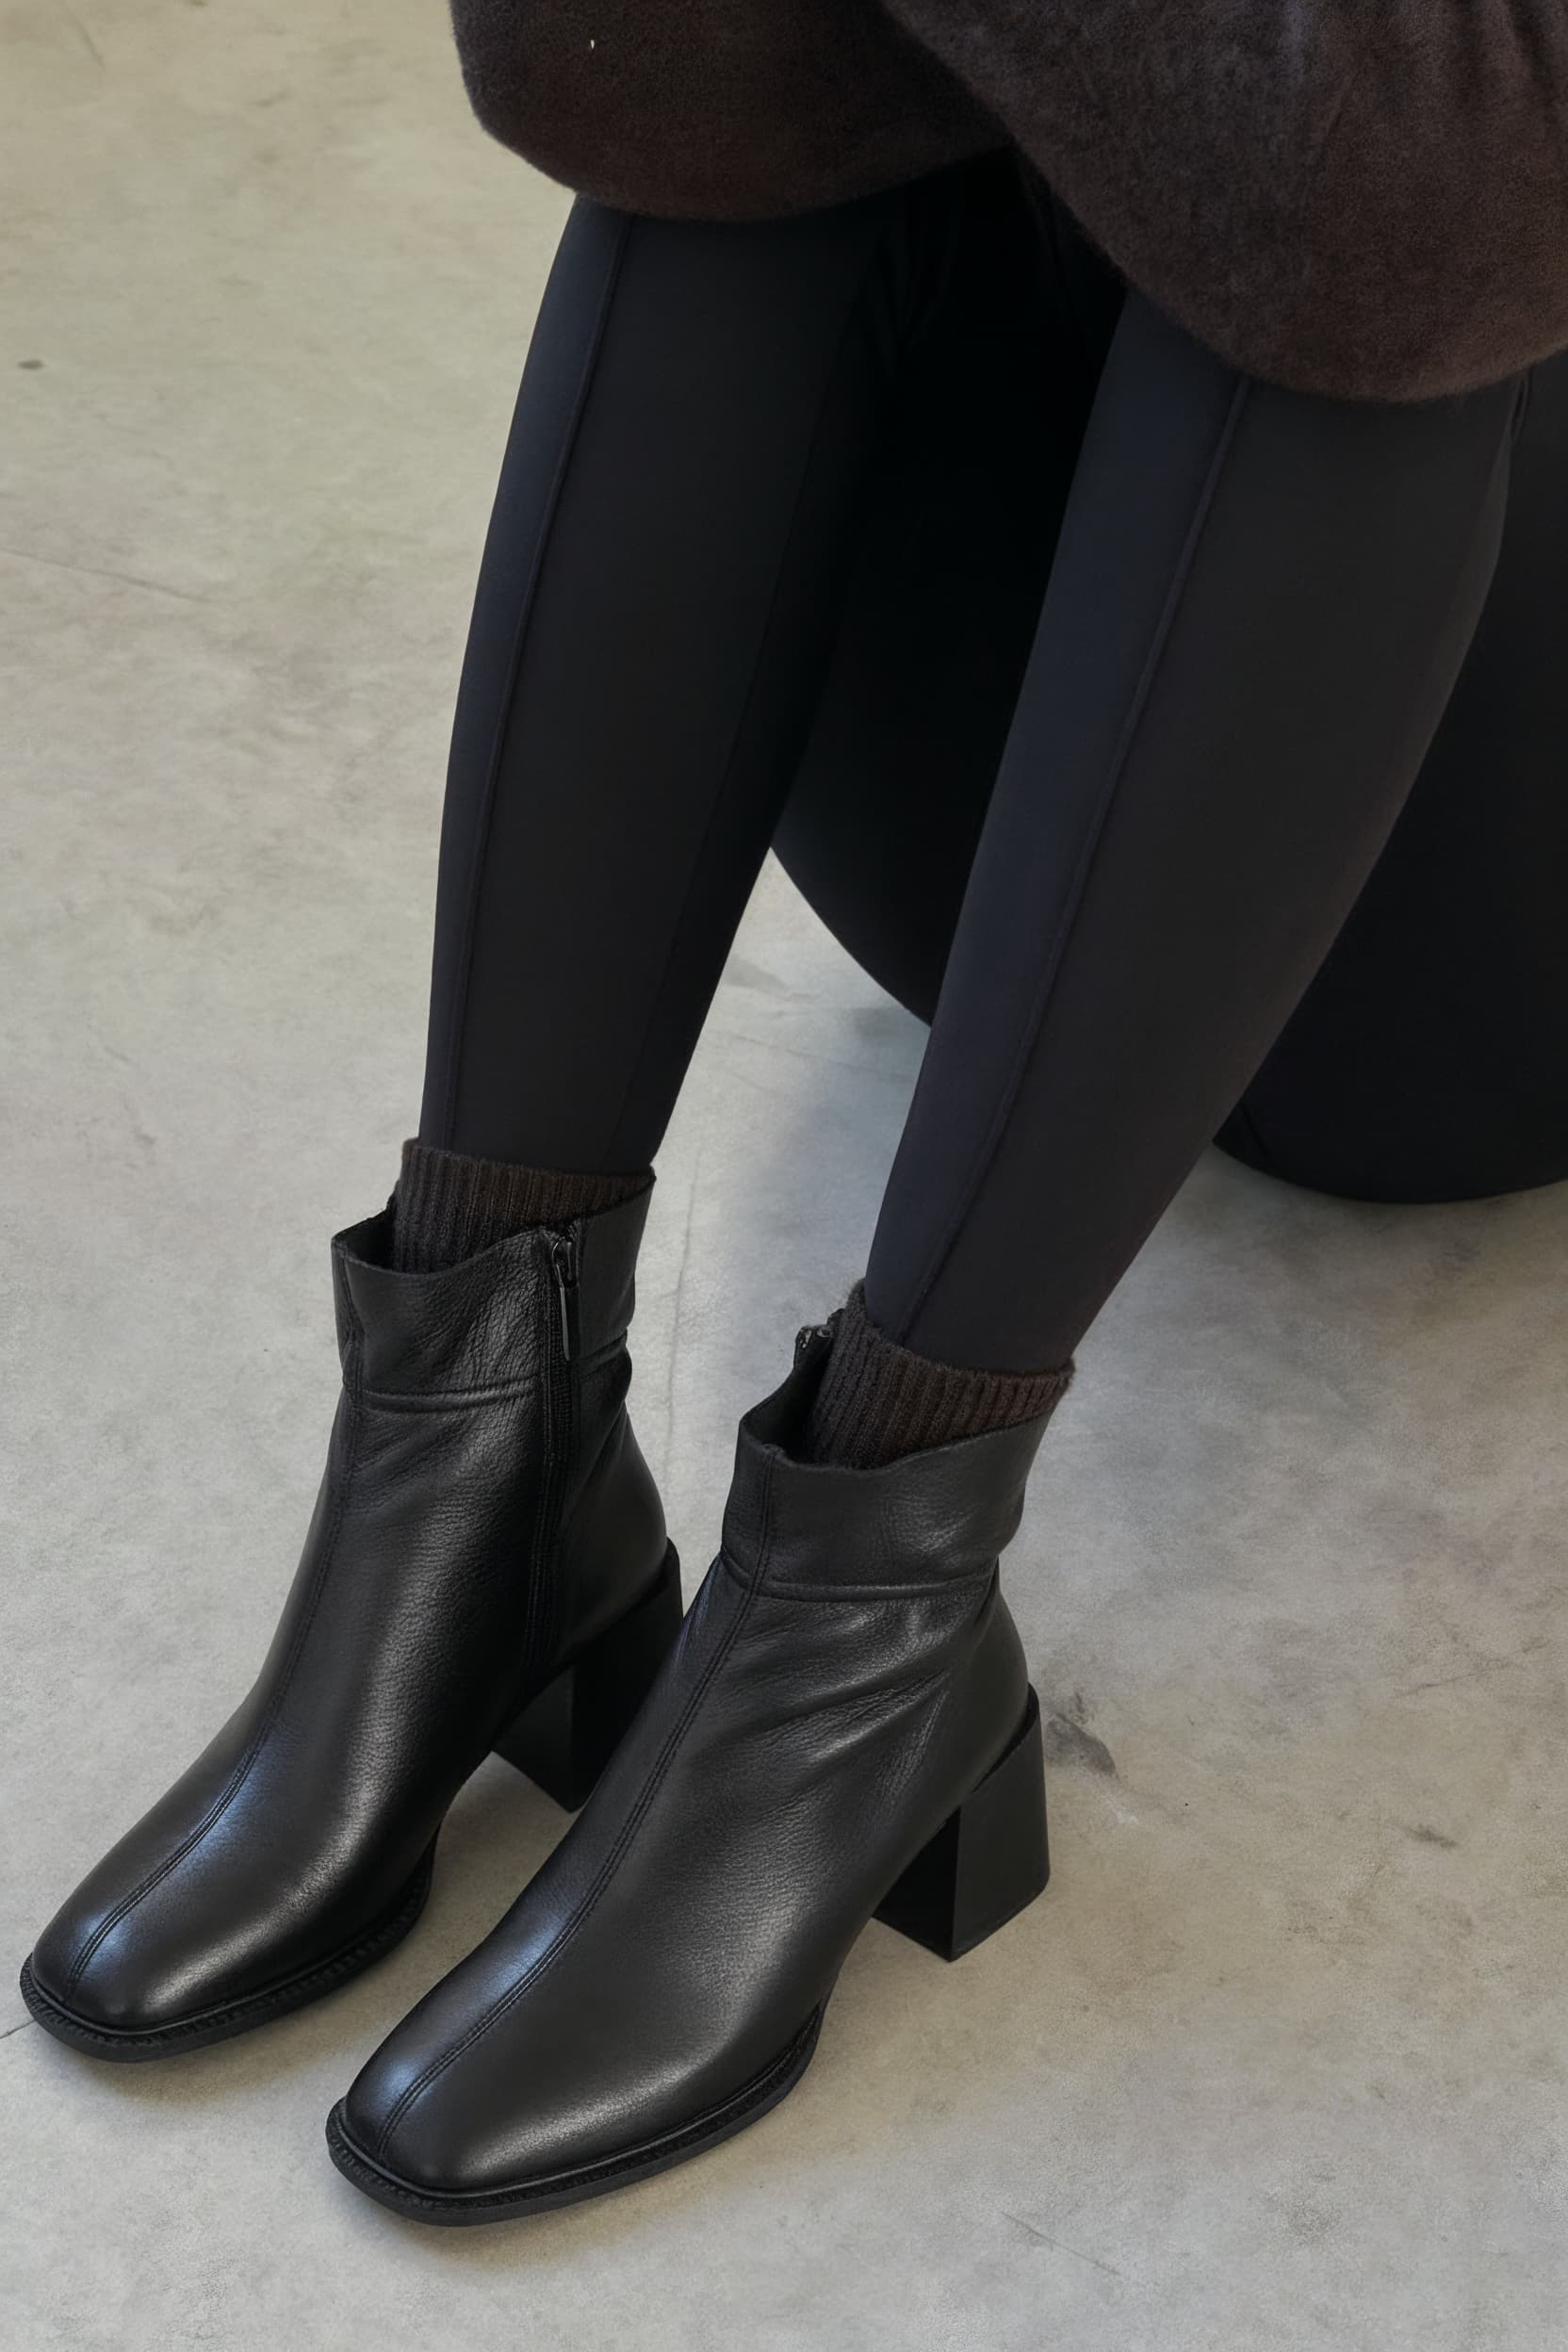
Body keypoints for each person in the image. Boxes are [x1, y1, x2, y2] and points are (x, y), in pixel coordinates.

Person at [19, 23, 1550, 2226]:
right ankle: (474, 1468)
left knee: (1393, 153)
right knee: (729, 63)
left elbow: (1414, 200)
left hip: (1452, 895)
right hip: (1010, 810)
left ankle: (867, 1618)